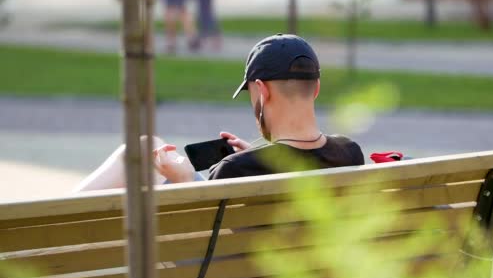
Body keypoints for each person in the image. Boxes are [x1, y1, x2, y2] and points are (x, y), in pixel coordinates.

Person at [73, 34, 364, 191]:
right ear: (315, 89)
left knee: (139, 150)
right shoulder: (350, 153)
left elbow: (202, 241)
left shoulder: (233, 170)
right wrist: (265, 157)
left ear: (262, 91)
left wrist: (186, 181)